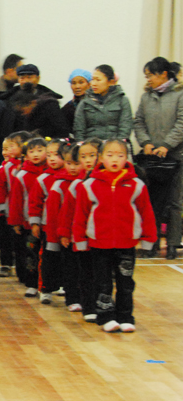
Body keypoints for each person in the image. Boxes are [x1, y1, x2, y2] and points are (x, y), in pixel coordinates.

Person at [72, 139, 157, 333]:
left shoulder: (136, 185)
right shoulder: (89, 185)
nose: (115, 159)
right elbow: (81, 215)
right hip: (99, 244)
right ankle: (106, 317)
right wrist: (80, 240)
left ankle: (125, 316)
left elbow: (146, 213)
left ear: (127, 158)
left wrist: (148, 239)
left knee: (125, 282)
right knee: (102, 283)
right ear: (101, 158)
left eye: (120, 155)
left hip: (126, 244)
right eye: (109, 155)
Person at [134, 56, 183, 260]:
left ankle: (172, 244)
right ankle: (150, 244)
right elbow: (138, 122)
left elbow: (181, 124)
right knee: (152, 203)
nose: (148, 80)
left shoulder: (180, 94)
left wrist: (167, 145)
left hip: (177, 156)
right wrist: (146, 142)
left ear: (163, 74)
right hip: (153, 158)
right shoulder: (147, 97)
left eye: (150, 75)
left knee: (175, 202)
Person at [59, 138, 103, 323]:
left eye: (92, 155)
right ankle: (88, 305)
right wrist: (65, 233)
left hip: (104, 237)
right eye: (83, 157)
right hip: (82, 236)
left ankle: (104, 305)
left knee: (103, 274)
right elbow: (68, 211)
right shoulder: (77, 184)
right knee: (84, 272)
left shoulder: (108, 182)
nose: (88, 160)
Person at [0, 131, 31, 278]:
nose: (6, 152)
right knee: (5, 240)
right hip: (3, 212)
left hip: (23, 213)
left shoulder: (29, 167)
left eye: (11, 147)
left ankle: (24, 267)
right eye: (4, 148)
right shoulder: (4, 168)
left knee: (21, 242)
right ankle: (6, 264)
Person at [44, 142, 83, 312]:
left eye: (76, 163)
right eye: (69, 163)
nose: (72, 168)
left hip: (86, 236)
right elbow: (53, 214)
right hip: (68, 236)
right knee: (70, 268)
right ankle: (72, 298)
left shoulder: (89, 182)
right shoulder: (59, 184)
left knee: (86, 270)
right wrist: (56, 237)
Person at [27, 138, 66, 303]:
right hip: (48, 226)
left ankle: (64, 285)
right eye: (49, 155)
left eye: (56, 154)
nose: (52, 158)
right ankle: (45, 288)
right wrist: (35, 223)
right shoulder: (43, 179)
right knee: (48, 258)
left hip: (67, 227)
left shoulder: (73, 178)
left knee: (67, 259)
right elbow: (34, 203)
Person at [9, 138, 48, 297]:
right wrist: (16, 222)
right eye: (32, 151)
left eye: (40, 150)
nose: (36, 154)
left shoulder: (51, 173)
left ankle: (49, 283)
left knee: (48, 255)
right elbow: (16, 200)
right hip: (28, 223)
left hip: (48, 223)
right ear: (26, 155)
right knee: (31, 253)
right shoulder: (22, 175)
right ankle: (31, 283)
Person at [73, 65, 133, 141]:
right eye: (93, 79)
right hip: (90, 144)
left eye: (98, 80)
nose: (93, 84)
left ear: (111, 82)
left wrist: (117, 145)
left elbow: (125, 128)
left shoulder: (122, 100)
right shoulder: (85, 102)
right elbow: (79, 130)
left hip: (114, 144)